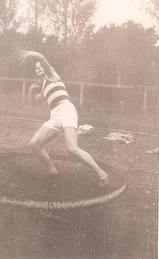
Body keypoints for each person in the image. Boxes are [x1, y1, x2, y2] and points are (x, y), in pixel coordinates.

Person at [17, 50, 109, 187]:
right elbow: (33, 103)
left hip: (66, 110)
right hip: (55, 115)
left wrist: (31, 54)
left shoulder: (52, 75)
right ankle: (52, 170)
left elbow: (41, 57)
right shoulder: (43, 87)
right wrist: (31, 90)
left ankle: (102, 175)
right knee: (34, 144)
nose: (39, 68)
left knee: (72, 148)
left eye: (41, 66)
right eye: (36, 68)